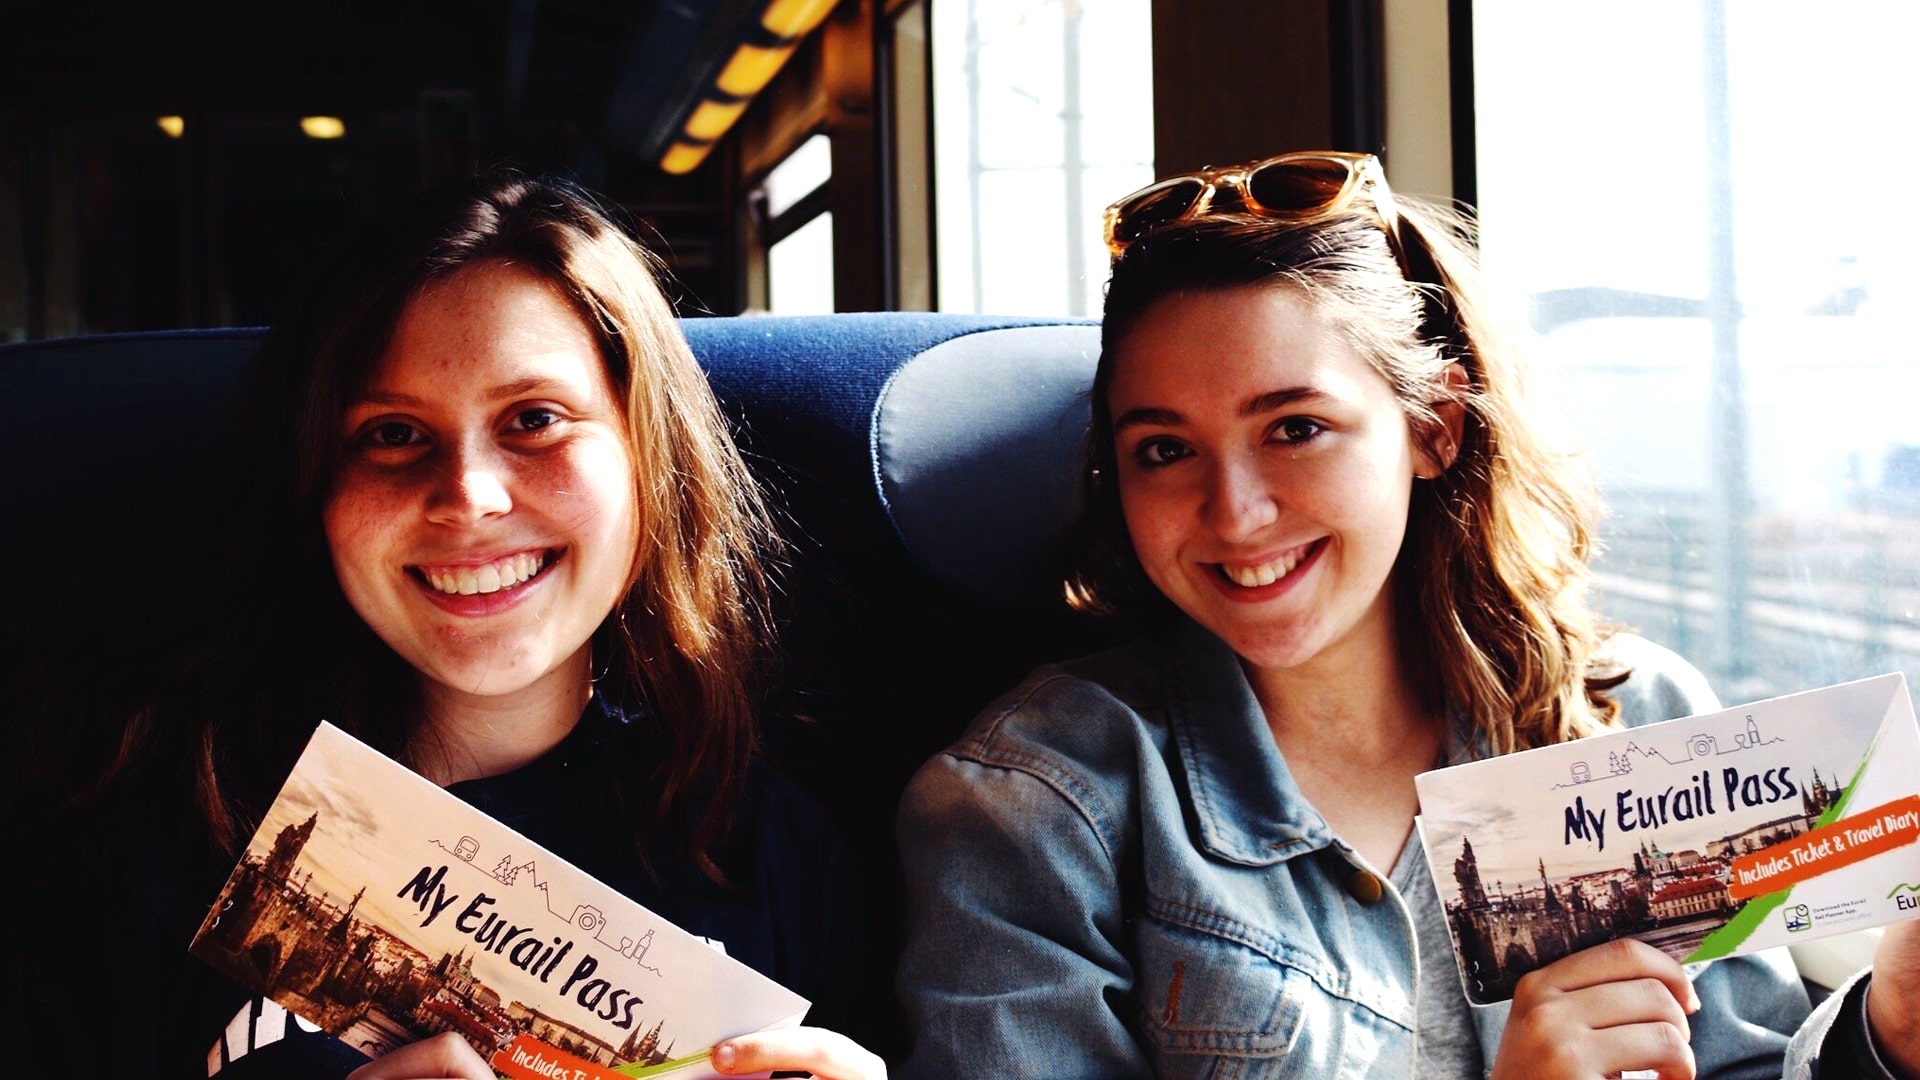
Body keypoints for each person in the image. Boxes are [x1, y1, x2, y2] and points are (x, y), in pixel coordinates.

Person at [893, 150, 1920, 1079]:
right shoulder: (1040, 807)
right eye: (1164, 449)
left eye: (1295, 429)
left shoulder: (1633, 719)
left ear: (1434, 429)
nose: (1234, 512)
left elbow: (1742, 1065)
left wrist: (1884, 1036)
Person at [3, 167, 884, 1080]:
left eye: (534, 420)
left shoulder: (770, 852)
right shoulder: (146, 829)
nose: (468, 497)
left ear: (645, 453)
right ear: (314, 481)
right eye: (392, 434)